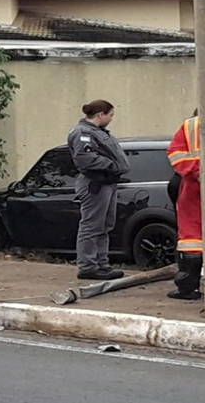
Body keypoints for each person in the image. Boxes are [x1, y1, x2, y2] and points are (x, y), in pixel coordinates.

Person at [68, 100, 131, 280]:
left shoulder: (97, 132)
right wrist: (111, 165)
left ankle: (102, 264)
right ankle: (88, 266)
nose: (111, 119)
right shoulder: (83, 133)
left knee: (104, 225)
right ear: (101, 115)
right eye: (110, 115)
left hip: (107, 182)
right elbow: (84, 158)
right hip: (95, 183)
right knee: (91, 225)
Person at [166, 109, 202, 300]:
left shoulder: (190, 126)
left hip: (194, 184)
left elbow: (175, 154)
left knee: (191, 234)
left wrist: (196, 171)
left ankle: (188, 287)